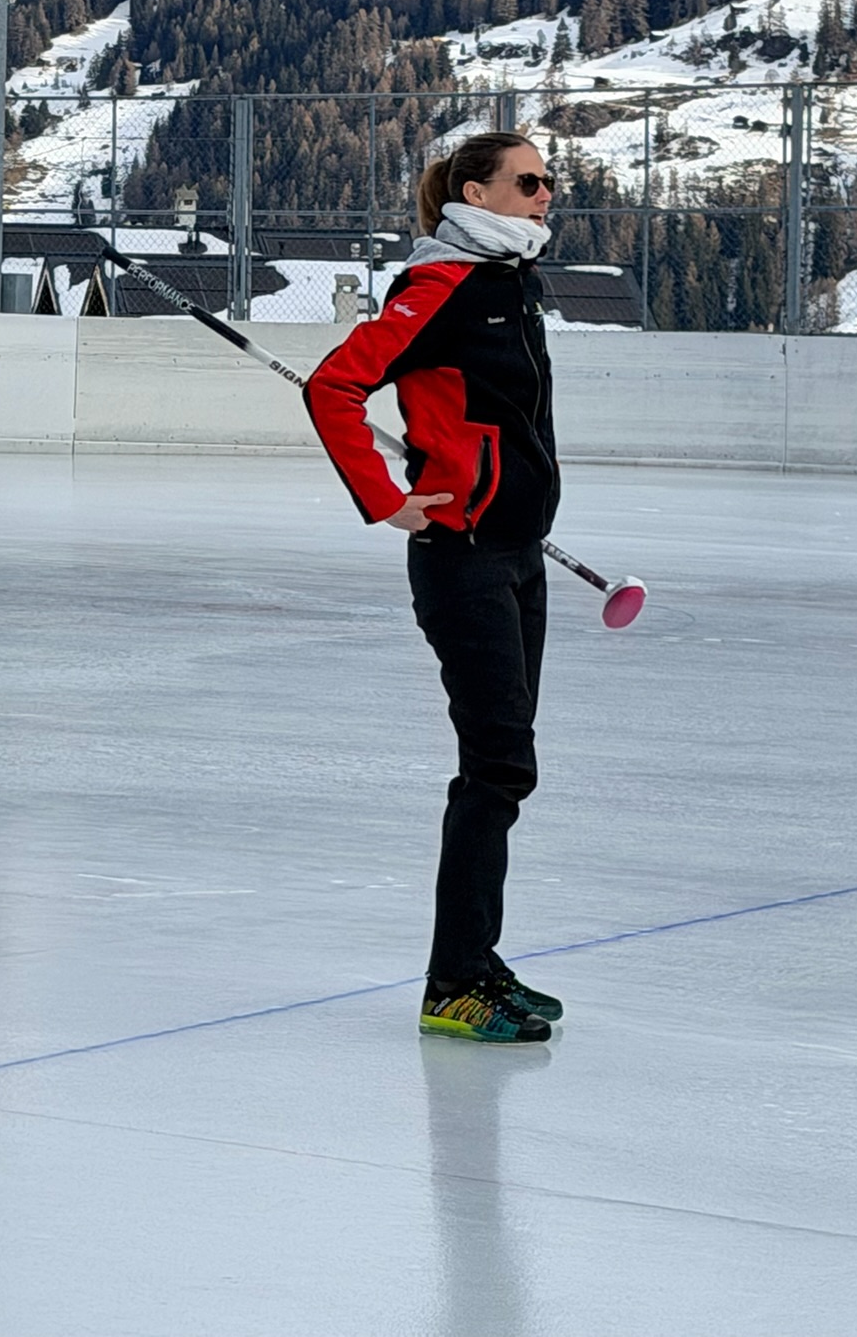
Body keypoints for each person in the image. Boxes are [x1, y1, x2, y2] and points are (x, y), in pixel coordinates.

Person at [303, 131, 563, 1044]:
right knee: (497, 767)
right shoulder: (439, 286)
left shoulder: (513, 281)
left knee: (504, 766)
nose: (545, 194)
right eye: (528, 181)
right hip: (464, 558)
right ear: (476, 194)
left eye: (549, 181)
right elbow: (334, 387)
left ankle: (475, 963)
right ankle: (454, 984)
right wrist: (387, 500)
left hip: (520, 554)